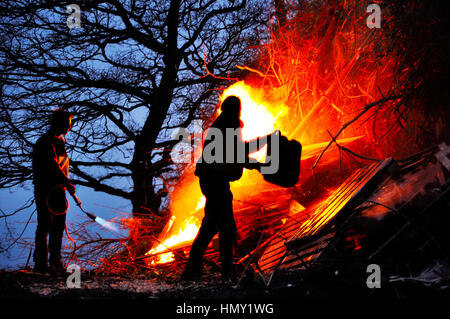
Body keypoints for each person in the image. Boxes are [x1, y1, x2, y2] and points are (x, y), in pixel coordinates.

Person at [182, 96, 274, 281]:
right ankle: (213, 271)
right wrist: (258, 163)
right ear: (235, 109)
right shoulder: (227, 125)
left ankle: (212, 270)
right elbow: (238, 154)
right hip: (215, 182)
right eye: (237, 109)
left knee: (221, 227)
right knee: (218, 227)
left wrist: (262, 145)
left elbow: (238, 151)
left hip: (214, 181)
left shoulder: (224, 124)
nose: (238, 112)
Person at [32, 109, 76, 274]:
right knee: (45, 225)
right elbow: (52, 165)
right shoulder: (45, 143)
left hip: (59, 191)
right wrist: (67, 182)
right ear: (59, 123)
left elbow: (60, 167)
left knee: (58, 226)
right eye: (67, 124)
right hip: (46, 190)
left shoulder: (59, 142)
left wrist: (65, 184)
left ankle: (55, 263)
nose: (69, 128)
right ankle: (41, 264)